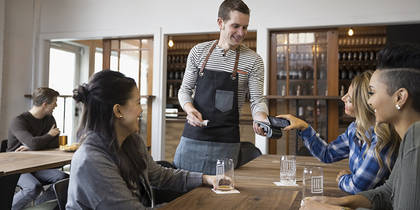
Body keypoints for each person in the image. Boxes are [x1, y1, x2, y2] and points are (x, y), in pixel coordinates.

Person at [67, 70, 215, 209]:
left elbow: (159, 175)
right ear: (118, 110)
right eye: (138, 102)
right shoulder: (92, 160)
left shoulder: (132, 140)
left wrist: (206, 179)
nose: (141, 109)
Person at [300, 44, 420, 210]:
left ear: (400, 97)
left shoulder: (416, 140)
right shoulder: (408, 139)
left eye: (372, 92)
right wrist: (338, 202)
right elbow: (386, 193)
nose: (369, 102)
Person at [174, 0, 268, 175]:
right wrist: (189, 109)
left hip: (227, 143)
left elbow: (257, 100)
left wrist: (261, 117)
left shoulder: (253, 60)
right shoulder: (198, 52)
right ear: (220, 23)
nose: (241, 33)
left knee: (222, 196)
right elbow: (184, 90)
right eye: (236, 26)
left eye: (245, 27)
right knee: (183, 192)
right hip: (193, 139)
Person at [277, 71, 400, 194]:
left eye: (350, 99)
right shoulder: (354, 129)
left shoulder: (381, 138)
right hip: (358, 203)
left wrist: (342, 178)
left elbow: (357, 187)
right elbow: (327, 153)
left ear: (363, 105)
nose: (343, 98)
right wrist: (304, 127)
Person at [7, 87, 67, 210]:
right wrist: (48, 136)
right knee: (33, 187)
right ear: (45, 104)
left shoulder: (49, 119)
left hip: (37, 166)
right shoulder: (18, 121)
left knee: (64, 179)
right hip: (16, 167)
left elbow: (55, 144)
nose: (56, 105)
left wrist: (32, 146)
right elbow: (34, 143)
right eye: (54, 102)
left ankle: (40, 205)